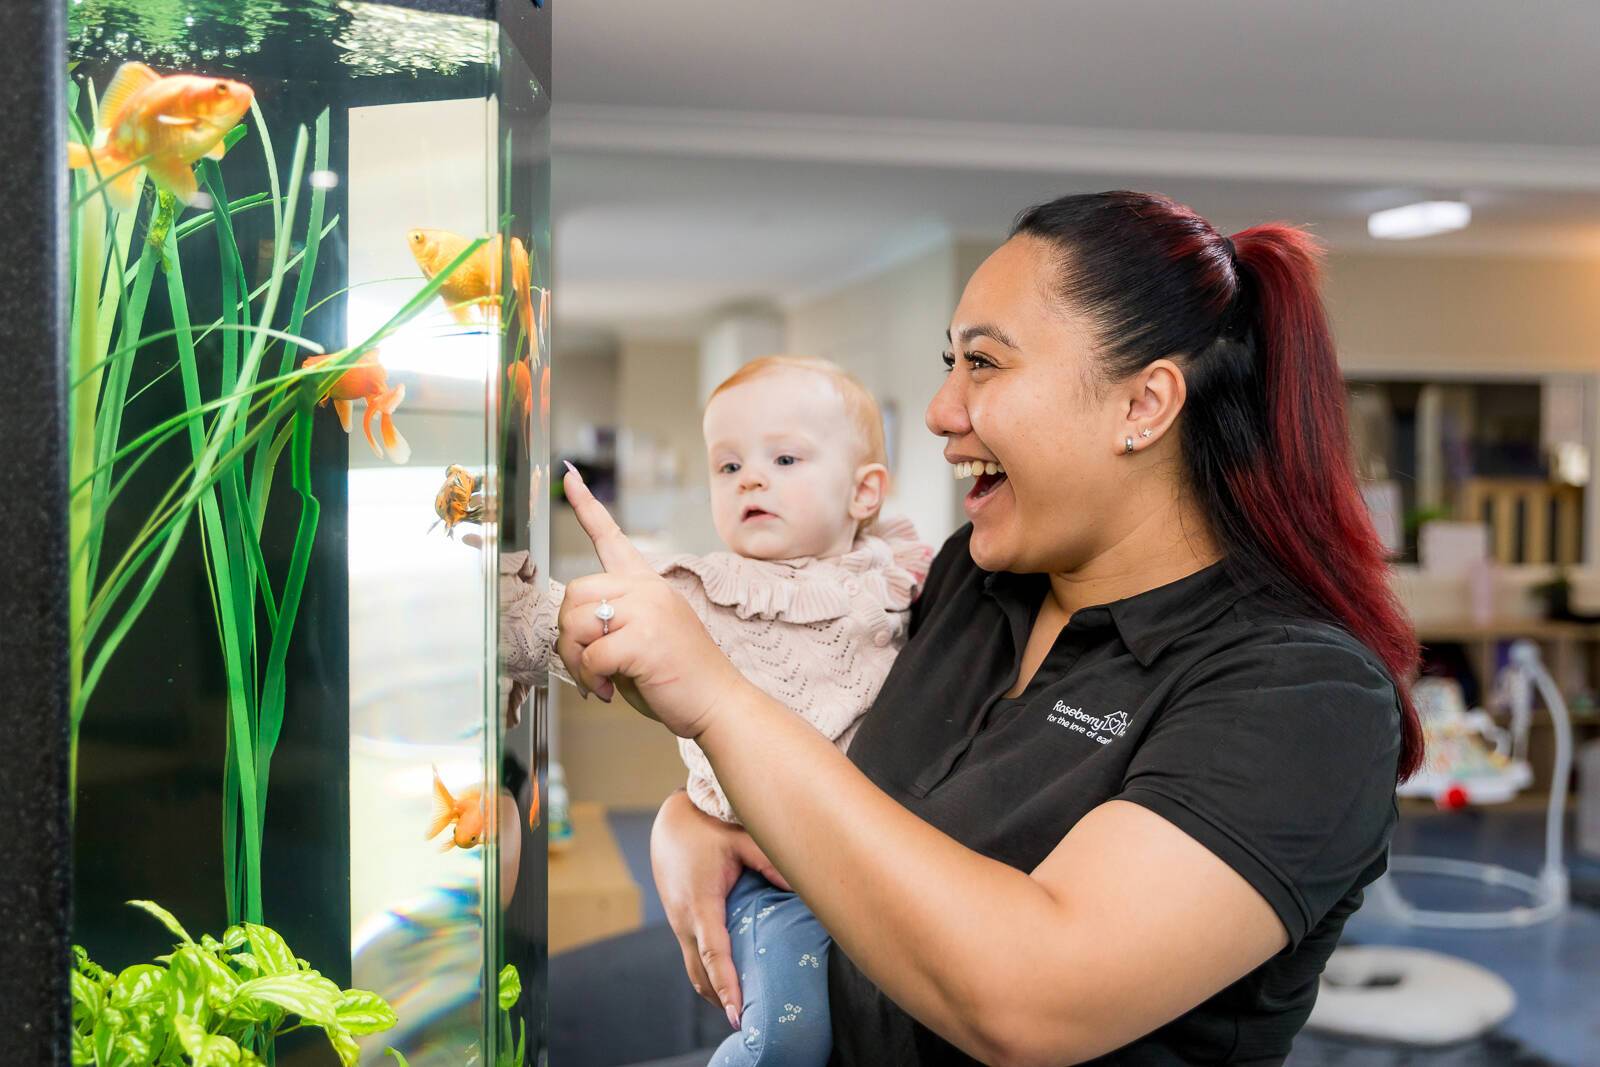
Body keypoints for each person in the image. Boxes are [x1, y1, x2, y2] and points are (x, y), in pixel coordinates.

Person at [551, 190, 1423, 1066]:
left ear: (1143, 405)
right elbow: (835, 777)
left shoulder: (1302, 696)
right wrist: (696, 816)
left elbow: (1031, 997)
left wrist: (719, 706)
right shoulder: (974, 577)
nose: (939, 409)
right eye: (949, 362)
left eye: (985, 364)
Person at [501, 356, 933, 1066]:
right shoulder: (705, 591)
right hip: (766, 873)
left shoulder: (897, 575)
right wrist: (518, 612)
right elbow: (579, 621)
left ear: (865, 493)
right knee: (791, 1036)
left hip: (873, 862)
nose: (751, 479)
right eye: (727, 467)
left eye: (785, 457)